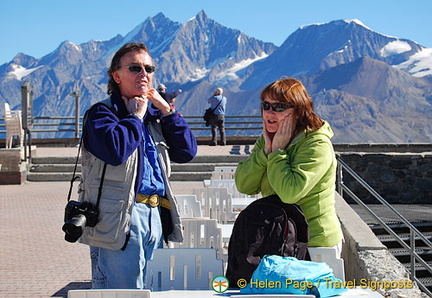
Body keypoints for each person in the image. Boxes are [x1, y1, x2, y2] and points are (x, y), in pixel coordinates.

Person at [78, 42, 197, 289]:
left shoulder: (153, 117)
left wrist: (167, 112)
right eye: (135, 68)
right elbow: (115, 151)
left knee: (154, 290)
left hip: (156, 215)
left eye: (149, 68)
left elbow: (186, 152)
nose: (144, 74)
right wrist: (134, 118)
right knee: (123, 291)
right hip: (120, 218)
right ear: (116, 75)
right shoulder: (102, 114)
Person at [234, 77, 343, 254]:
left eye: (279, 107)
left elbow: (289, 193)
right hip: (279, 238)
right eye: (266, 106)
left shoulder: (316, 144)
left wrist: (277, 154)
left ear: (299, 111)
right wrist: (264, 155)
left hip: (314, 245)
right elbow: (244, 185)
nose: (269, 113)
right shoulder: (267, 139)